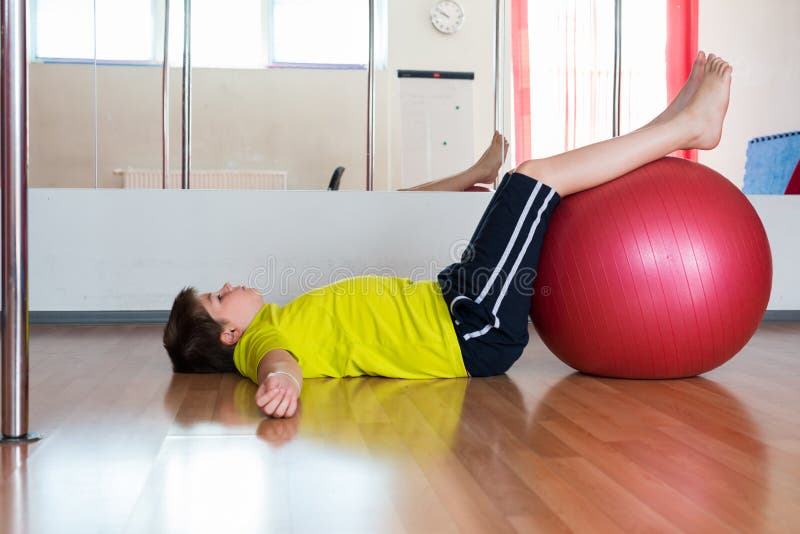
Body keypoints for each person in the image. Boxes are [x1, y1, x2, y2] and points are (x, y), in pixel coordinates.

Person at [164, 51, 731, 419]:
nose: (229, 284)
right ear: (229, 334)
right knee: (531, 180)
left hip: (451, 299)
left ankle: (671, 123)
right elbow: (277, 365)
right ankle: (685, 128)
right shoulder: (264, 346)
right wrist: (282, 385)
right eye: (217, 297)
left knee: (522, 185)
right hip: (470, 328)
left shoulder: (270, 321)